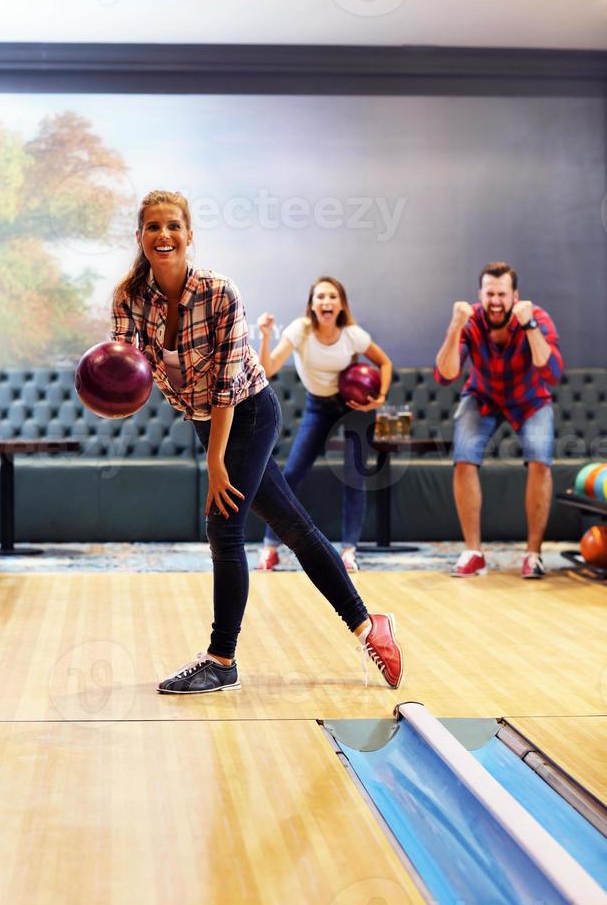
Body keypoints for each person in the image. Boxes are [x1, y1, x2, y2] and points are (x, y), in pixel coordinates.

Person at [111, 190, 402, 694]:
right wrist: (112, 393)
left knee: (224, 527)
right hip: (207, 420)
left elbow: (226, 386)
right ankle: (368, 624)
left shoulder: (220, 293)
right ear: (139, 237)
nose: (164, 235)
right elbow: (127, 371)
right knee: (293, 525)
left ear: (189, 234)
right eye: (153, 227)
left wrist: (216, 462)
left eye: (173, 226)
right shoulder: (130, 298)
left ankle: (222, 658)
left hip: (247, 411)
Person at [434, 261, 563, 579]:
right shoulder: (471, 320)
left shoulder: (537, 318)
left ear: (515, 295)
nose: (495, 301)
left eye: (502, 294)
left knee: (540, 461)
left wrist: (530, 325)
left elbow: (553, 374)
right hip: (483, 397)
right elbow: (445, 375)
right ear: (480, 294)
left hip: (530, 400)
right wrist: (454, 327)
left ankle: (533, 555)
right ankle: (474, 552)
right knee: (463, 458)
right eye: (489, 293)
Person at [255, 277, 392, 572]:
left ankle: (348, 551)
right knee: (291, 472)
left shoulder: (352, 335)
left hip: (354, 407)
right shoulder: (300, 331)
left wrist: (378, 398)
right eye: (320, 297)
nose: (326, 302)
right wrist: (265, 336)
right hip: (319, 406)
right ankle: (270, 547)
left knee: (355, 476)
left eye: (332, 296)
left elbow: (385, 363)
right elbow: (268, 369)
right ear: (312, 305)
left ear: (341, 304)